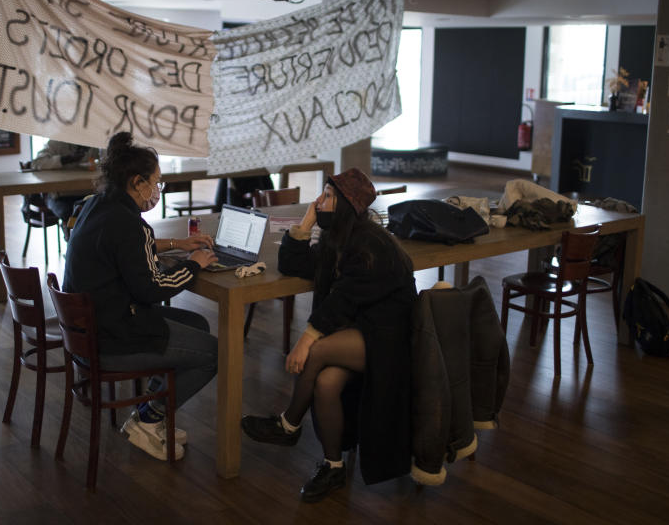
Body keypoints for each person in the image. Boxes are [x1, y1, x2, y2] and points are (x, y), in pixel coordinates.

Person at [241, 167, 417, 502]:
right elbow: (295, 265)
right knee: (325, 384)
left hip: (390, 337)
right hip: (360, 331)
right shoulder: (339, 238)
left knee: (317, 351)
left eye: (328, 196)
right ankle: (333, 466)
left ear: (348, 206)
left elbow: (344, 298)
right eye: (323, 194)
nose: (319, 201)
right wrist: (305, 225)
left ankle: (288, 425)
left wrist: (305, 340)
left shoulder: (370, 243)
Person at [62, 131, 218, 461]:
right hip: (113, 338)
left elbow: (128, 249)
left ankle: (149, 412)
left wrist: (178, 245)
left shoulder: (97, 206)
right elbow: (152, 288)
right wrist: (194, 264)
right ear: (137, 182)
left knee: (197, 324)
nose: (158, 190)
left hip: (89, 331)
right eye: (156, 182)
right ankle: (150, 417)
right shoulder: (129, 224)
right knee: (214, 353)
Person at [28, 139, 100, 226]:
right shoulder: (56, 143)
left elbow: (104, 159)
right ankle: (72, 234)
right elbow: (36, 163)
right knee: (72, 212)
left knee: (103, 211)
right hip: (60, 196)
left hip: (87, 193)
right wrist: (64, 160)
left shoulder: (91, 143)